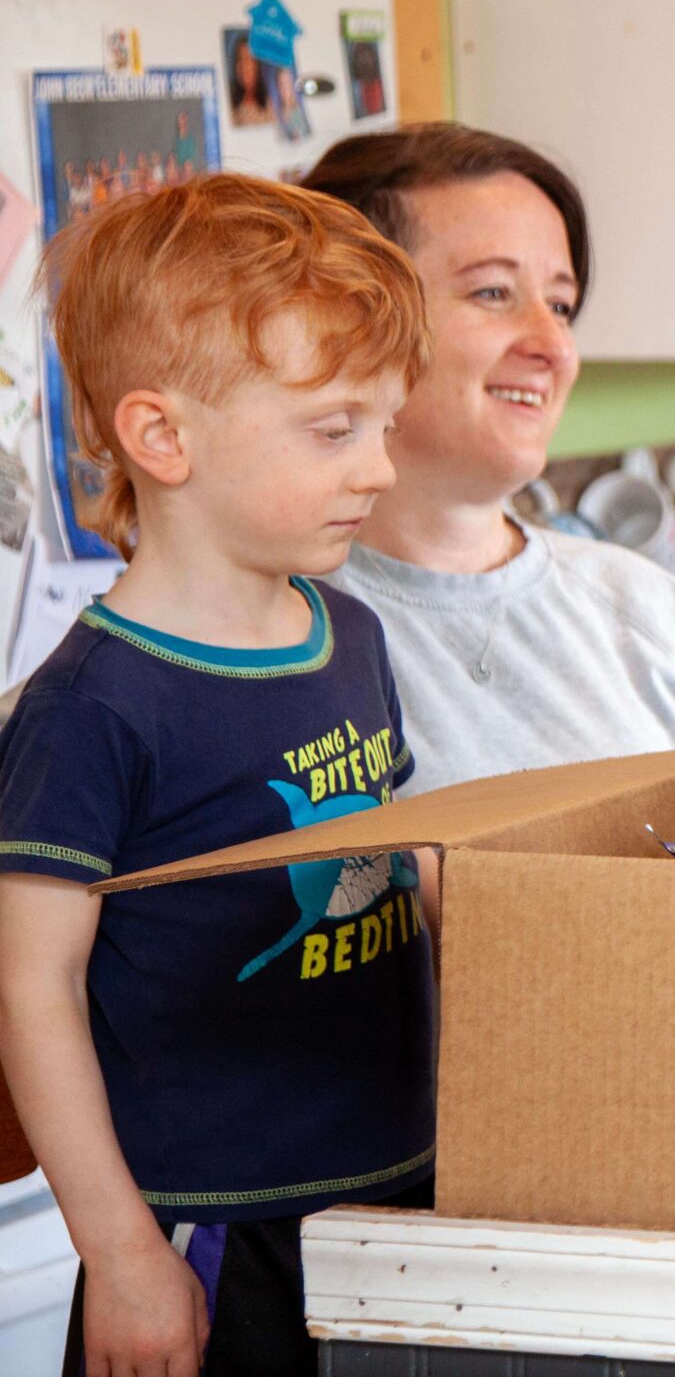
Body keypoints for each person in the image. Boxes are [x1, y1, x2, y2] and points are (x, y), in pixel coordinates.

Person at [0, 176, 436, 1376]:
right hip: (209, 1228)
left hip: (397, 1195)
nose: (381, 469)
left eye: (387, 425)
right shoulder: (95, 706)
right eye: (336, 428)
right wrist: (126, 1256)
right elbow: (31, 992)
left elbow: (394, 862)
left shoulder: (351, 637)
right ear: (162, 438)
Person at [298, 124, 675, 796]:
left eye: (562, 305)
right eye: (493, 293)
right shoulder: (267, 640)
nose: (554, 345)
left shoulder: (653, 610)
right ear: (345, 322)